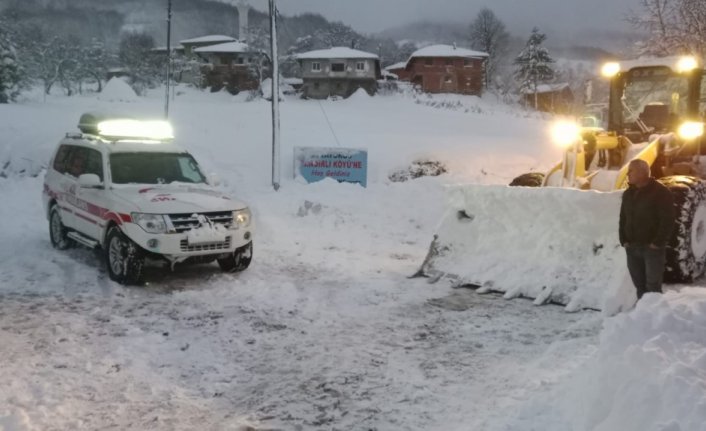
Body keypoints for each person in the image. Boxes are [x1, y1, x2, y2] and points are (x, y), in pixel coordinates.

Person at [619, 159, 675, 299]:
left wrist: (657, 243)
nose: (628, 174)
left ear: (642, 172)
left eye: (631, 170)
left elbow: (667, 220)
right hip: (632, 248)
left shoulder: (661, 192)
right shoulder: (628, 194)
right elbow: (623, 218)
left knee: (653, 288)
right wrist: (624, 239)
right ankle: (642, 317)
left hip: (651, 249)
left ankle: (654, 317)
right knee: (640, 286)